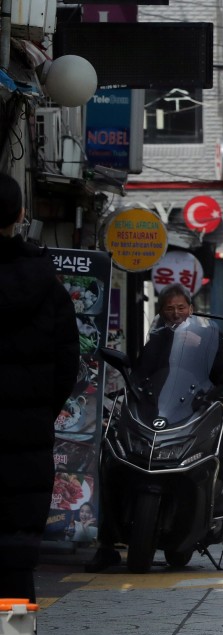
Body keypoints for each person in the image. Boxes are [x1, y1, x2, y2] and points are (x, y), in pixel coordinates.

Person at [89, 284, 223, 573]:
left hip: (196, 416)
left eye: (181, 308)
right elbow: (140, 376)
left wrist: (216, 385)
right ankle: (105, 545)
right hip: (156, 420)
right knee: (111, 461)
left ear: (191, 309)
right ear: (161, 311)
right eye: (169, 308)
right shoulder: (157, 339)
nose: (175, 314)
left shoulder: (210, 338)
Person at [0, 171, 79, 602]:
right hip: (26, 443)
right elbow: (68, 364)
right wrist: (35, 412)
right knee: (15, 554)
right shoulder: (47, 289)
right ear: (20, 215)